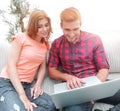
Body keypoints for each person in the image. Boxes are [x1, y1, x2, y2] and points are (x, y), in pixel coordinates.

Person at [48, 7, 120, 111]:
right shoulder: (56, 44)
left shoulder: (94, 39)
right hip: (74, 91)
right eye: (67, 30)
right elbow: (52, 71)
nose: (71, 34)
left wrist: (92, 90)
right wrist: (67, 77)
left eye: (75, 29)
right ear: (61, 26)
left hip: (97, 84)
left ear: (80, 24)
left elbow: (103, 69)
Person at [0, 9, 56, 111]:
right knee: (17, 109)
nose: (44, 29)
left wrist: (38, 85)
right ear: (33, 27)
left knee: (51, 105)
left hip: (26, 86)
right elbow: (10, 66)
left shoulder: (45, 45)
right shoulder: (21, 38)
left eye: (46, 25)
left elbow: (42, 68)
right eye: (39, 26)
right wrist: (22, 96)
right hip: (7, 83)